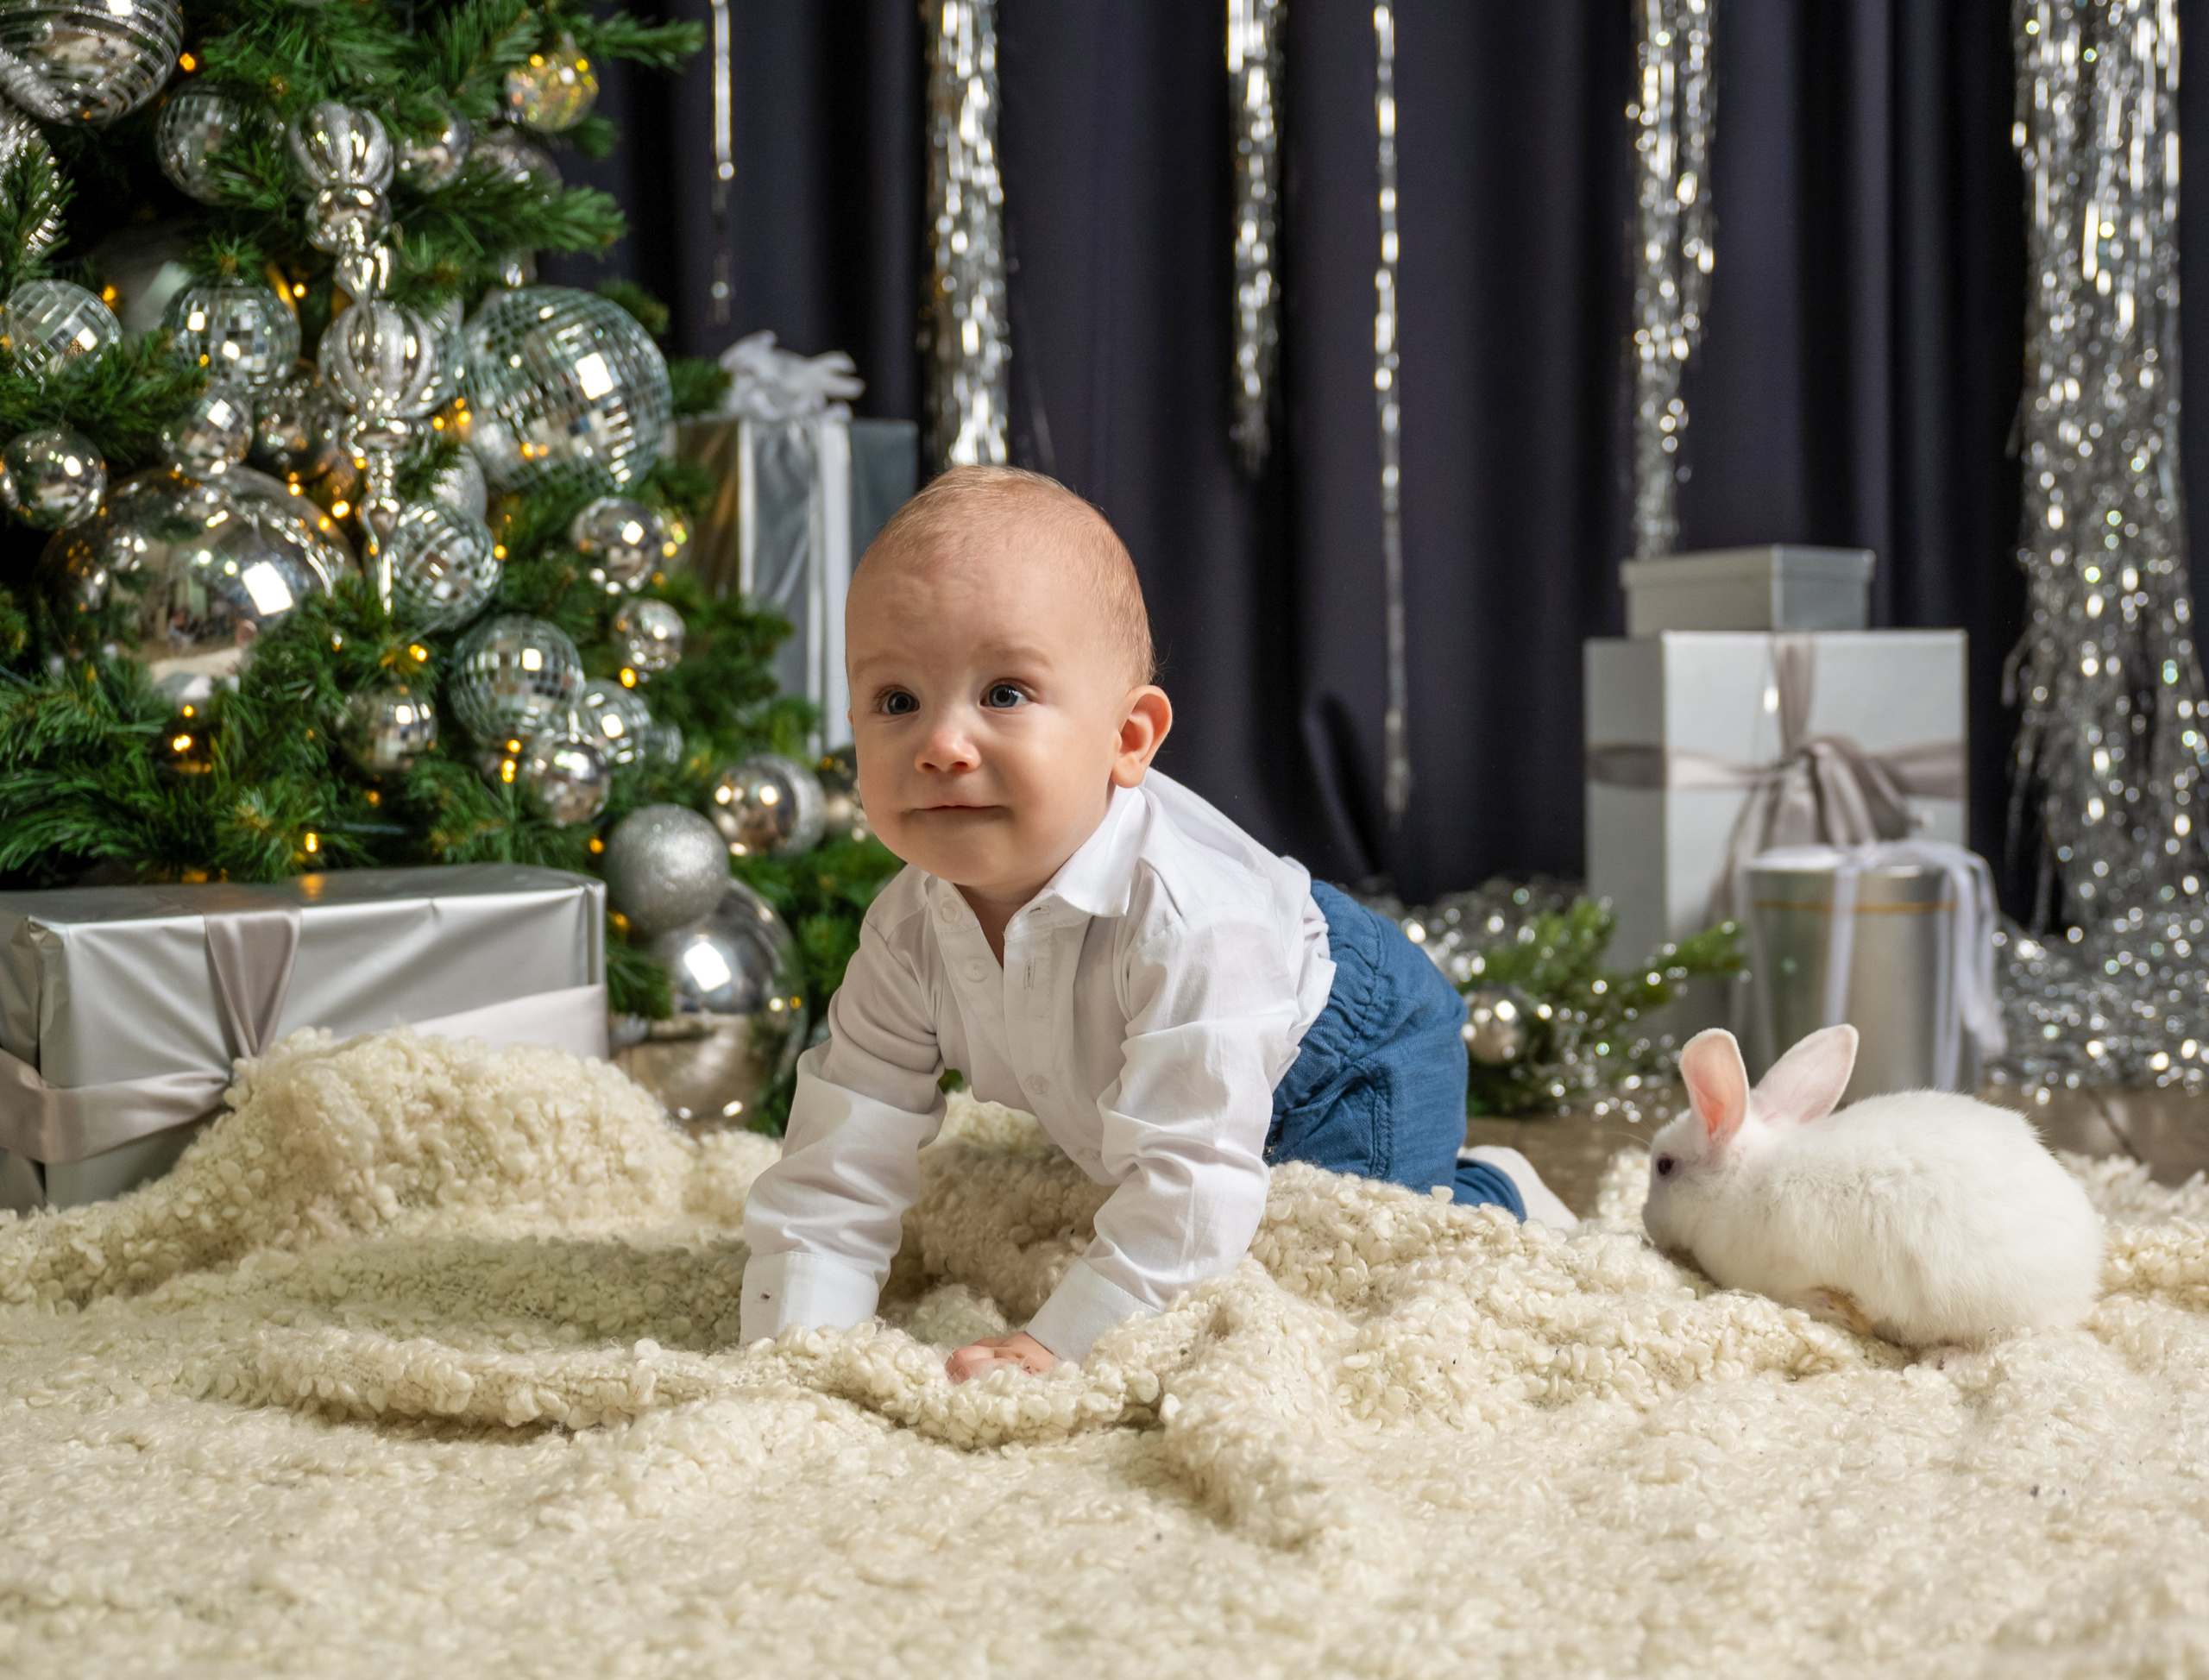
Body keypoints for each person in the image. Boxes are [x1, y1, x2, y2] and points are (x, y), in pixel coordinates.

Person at [739, 465, 1575, 1383]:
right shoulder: (904, 933)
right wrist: (796, 1345)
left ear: (1128, 739)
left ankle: (1493, 1190)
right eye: (896, 701)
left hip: (1344, 1044)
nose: (941, 744)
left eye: (1005, 693)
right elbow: (841, 1148)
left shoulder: (1190, 919)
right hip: (1179, 1081)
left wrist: (1059, 1345)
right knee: (1191, 1191)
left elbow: (1190, 1185)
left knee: (1332, 1259)